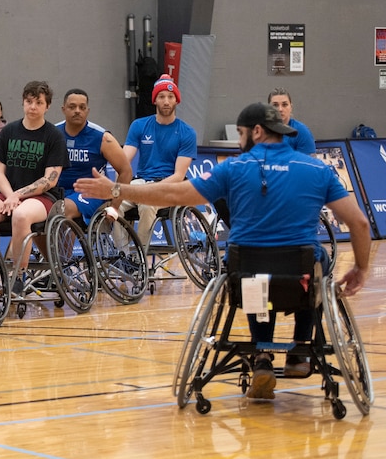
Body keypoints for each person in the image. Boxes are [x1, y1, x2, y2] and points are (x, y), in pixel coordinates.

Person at [76, 102, 371, 401]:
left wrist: (117, 190)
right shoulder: (316, 169)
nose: (239, 141)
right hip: (300, 277)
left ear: (255, 132)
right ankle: (298, 350)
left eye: (240, 134)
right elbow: (359, 223)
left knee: (258, 281)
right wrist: (361, 268)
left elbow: (173, 194)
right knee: (315, 267)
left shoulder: (232, 168)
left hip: (246, 275)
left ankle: (262, 358)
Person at [0, 80, 69, 292]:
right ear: (22, 103)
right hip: (7, 193)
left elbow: (50, 180)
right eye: (29, 101)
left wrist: (17, 196)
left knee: (21, 216)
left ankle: (18, 275)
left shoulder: (53, 136)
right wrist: (10, 196)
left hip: (44, 197)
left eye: (38, 102)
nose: (33, 106)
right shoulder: (9, 131)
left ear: (47, 106)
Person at [121, 73, 197, 249]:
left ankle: (138, 255)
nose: (166, 101)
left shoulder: (187, 132)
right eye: (161, 96)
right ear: (155, 100)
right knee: (112, 204)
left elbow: (179, 175)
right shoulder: (139, 126)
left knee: (147, 205)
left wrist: (152, 188)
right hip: (141, 182)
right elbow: (124, 162)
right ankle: (123, 253)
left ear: (176, 100)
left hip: (170, 187)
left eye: (171, 97)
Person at [55, 88, 133, 224]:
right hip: (58, 191)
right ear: (63, 109)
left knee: (64, 208)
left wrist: (114, 206)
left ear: (88, 111)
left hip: (90, 193)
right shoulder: (53, 133)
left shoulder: (103, 138)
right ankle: (47, 246)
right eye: (72, 107)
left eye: (82, 107)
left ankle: (61, 246)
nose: (77, 110)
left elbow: (126, 171)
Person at [268, 88, 316, 154]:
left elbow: (310, 163)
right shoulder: (260, 132)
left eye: (284, 105)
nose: (280, 109)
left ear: (291, 107)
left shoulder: (302, 132)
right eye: (275, 105)